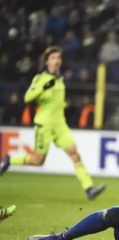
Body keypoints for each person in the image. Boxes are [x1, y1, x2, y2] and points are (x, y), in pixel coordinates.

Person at [0, 46, 106, 200]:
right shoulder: (40, 79)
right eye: (53, 58)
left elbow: (57, 102)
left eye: (58, 58)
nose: (56, 61)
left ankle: (89, 188)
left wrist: (65, 106)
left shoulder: (60, 79)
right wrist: (43, 87)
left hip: (60, 126)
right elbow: (27, 98)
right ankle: (10, 159)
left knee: (75, 154)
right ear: (47, 62)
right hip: (45, 125)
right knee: (38, 160)